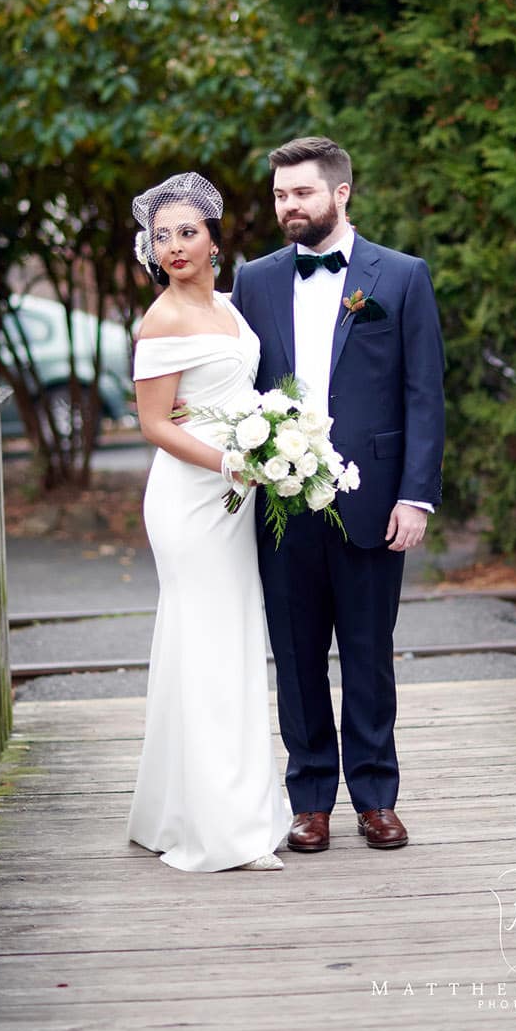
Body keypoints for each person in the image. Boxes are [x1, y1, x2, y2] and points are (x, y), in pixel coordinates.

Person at [230, 136, 445, 853]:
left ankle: (377, 797)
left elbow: (424, 394)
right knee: (294, 655)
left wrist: (416, 495)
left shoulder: (402, 276)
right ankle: (311, 798)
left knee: (367, 651)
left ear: (340, 193)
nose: (289, 206)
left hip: (372, 497)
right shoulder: (254, 281)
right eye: (280, 195)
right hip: (282, 503)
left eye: (303, 193)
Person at [125, 172, 291, 873]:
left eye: (187, 231)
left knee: (227, 639)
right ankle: (221, 824)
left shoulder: (231, 306)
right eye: (162, 236)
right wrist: (231, 460)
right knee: (208, 642)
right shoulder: (159, 319)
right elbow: (154, 424)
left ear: (215, 239)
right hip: (192, 501)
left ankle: (184, 803)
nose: (174, 246)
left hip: (237, 492)